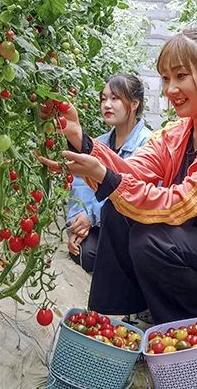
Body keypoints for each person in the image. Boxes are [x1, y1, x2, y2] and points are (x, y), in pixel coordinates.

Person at [38, 21, 197, 349]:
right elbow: (130, 174)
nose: (170, 89)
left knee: (150, 238)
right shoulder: (175, 134)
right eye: (166, 78)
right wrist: (81, 142)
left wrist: (106, 177)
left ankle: (196, 336)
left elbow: (182, 202)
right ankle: (115, 323)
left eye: (181, 76)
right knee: (119, 206)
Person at [62, 74, 151, 273]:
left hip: (130, 227)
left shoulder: (147, 144)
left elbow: (130, 190)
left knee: (112, 256)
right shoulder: (99, 143)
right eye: (103, 99)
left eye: (115, 98)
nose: (107, 105)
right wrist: (78, 221)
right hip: (100, 227)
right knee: (85, 253)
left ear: (134, 103)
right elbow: (81, 184)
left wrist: (91, 217)